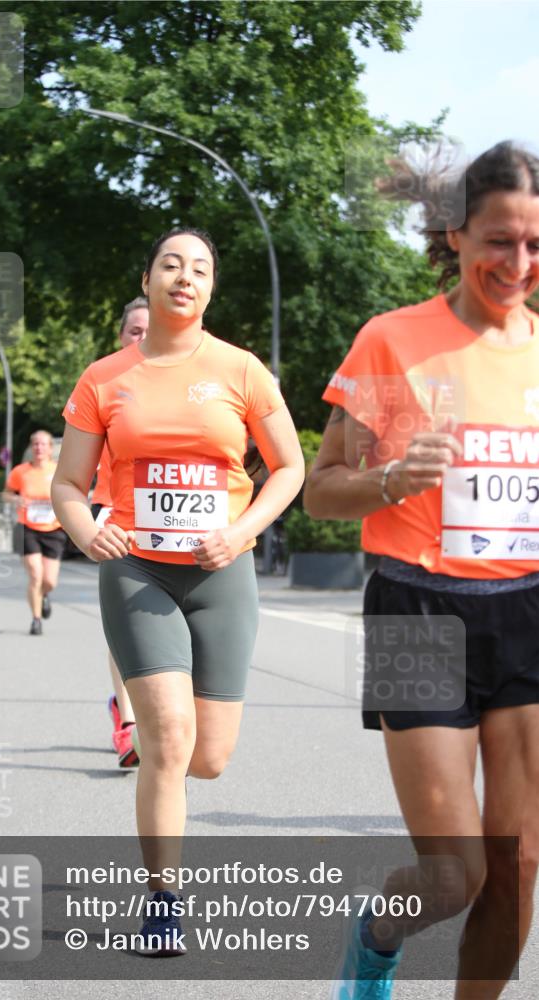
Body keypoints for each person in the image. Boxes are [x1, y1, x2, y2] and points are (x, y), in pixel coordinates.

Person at [304, 142, 539, 999]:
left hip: (528, 609)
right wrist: (389, 479)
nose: (518, 265)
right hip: (416, 610)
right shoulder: (392, 341)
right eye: (499, 242)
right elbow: (320, 494)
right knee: (456, 877)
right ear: (457, 232)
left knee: (517, 873)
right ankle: (374, 939)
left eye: (535, 246)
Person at [52, 228, 304, 953]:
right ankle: (164, 902)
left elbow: (287, 468)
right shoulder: (105, 377)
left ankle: (169, 798)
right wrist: (82, 528)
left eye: (199, 268)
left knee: (208, 755)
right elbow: (68, 483)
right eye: (171, 264)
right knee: (166, 738)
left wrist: (243, 528)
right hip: (138, 568)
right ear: (149, 278)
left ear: (210, 288)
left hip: (223, 569)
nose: (184, 277)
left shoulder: (241, 370)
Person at [91, 296, 149, 767]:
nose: (143, 338)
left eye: (150, 328)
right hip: (114, 510)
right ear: (120, 335)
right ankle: (128, 721)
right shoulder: (104, 378)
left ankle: (150, 711)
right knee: (124, 622)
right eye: (134, 330)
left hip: (176, 524)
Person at [2, 430, 67, 636]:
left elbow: (68, 494)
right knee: (35, 575)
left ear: (50, 448)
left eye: (43, 444)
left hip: (53, 528)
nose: (39, 448)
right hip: (27, 527)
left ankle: (45, 595)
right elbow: (6, 494)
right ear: (32, 448)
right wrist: (16, 500)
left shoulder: (58, 471)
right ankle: (36, 619)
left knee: (49, 581)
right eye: (36, 444)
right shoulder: (20, 471)